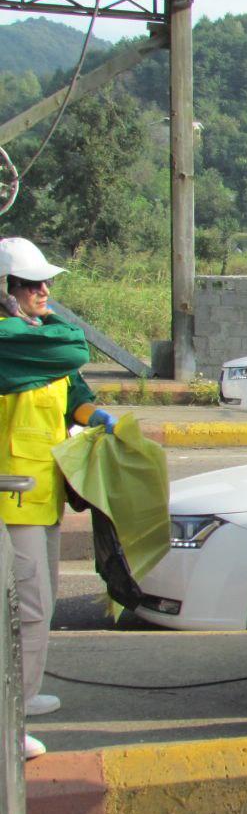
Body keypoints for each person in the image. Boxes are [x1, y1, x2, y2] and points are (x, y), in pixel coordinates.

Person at [0, 238, 118, 760]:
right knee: (28, 607)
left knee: (38, 604)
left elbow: (74, 392)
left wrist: (97, 419)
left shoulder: (30, 338)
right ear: (4, 293)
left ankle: (22, 697)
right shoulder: (12, 343)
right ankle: (10, 720)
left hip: (42, 495)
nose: (43, 290)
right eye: (29, 285)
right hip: (11, 500)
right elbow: (73, 346)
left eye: (44, 282)